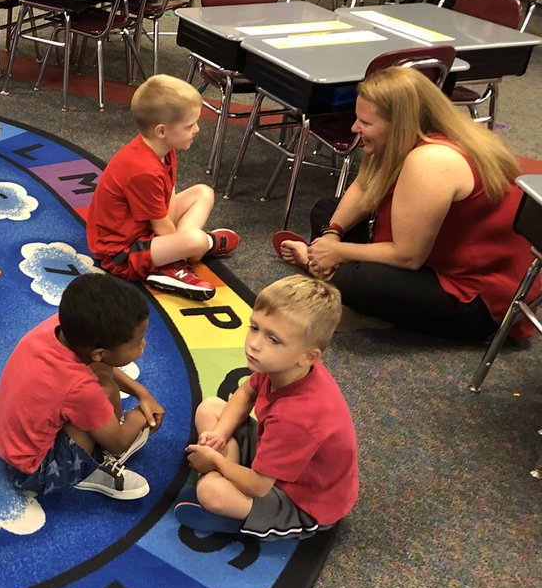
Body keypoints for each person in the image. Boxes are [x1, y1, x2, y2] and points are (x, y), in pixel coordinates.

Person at [279, 66, 538, 341]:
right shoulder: (411, 137)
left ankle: (326, 272)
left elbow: (408, 256)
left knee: (360, 281)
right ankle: (326, 267)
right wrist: (332, 234)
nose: (355, 128)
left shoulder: (431, 160)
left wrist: (338, 251)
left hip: (477, 297)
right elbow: (365, 186)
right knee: (327, 211)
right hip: (438, 255)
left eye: (365, 123)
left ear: (399, 124)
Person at [176, 276, 358, 540]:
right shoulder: (283, 366)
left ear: (309, 356)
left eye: (273, 339)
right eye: (254, 327)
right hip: (275, 458)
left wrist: (215, 459)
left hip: (305, 501)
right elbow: (247, 391)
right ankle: (228, 474)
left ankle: (244, 521)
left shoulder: (297, 417)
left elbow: (259, 486)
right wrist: (220, 435)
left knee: (211, 492)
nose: (254, 343)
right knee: (211, 408)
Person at [0, 273, 165, 501]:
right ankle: (95, 465)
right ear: (98, 352)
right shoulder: (80, 387)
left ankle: (94, 431)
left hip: (5, 439)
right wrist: (140, 417)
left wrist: (142, 393)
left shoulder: (61, 328)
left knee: (101, 378)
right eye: (137, 342)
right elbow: (119, 442)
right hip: (33, 470)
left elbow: (101, 364)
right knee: (105, 392)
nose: (144, 344)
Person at [86, 75, 240, 301]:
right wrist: (185, 243)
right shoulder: (142, 169)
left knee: (203, 192)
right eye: (189, 125)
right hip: (122, 251)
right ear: (161, 131)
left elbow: (169, 194)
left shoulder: (164, 149)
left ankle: (177, 256)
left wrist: (175, 241)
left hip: (143, 228)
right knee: (195, 240)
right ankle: (189, 254)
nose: (197, 129)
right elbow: (161, 225)